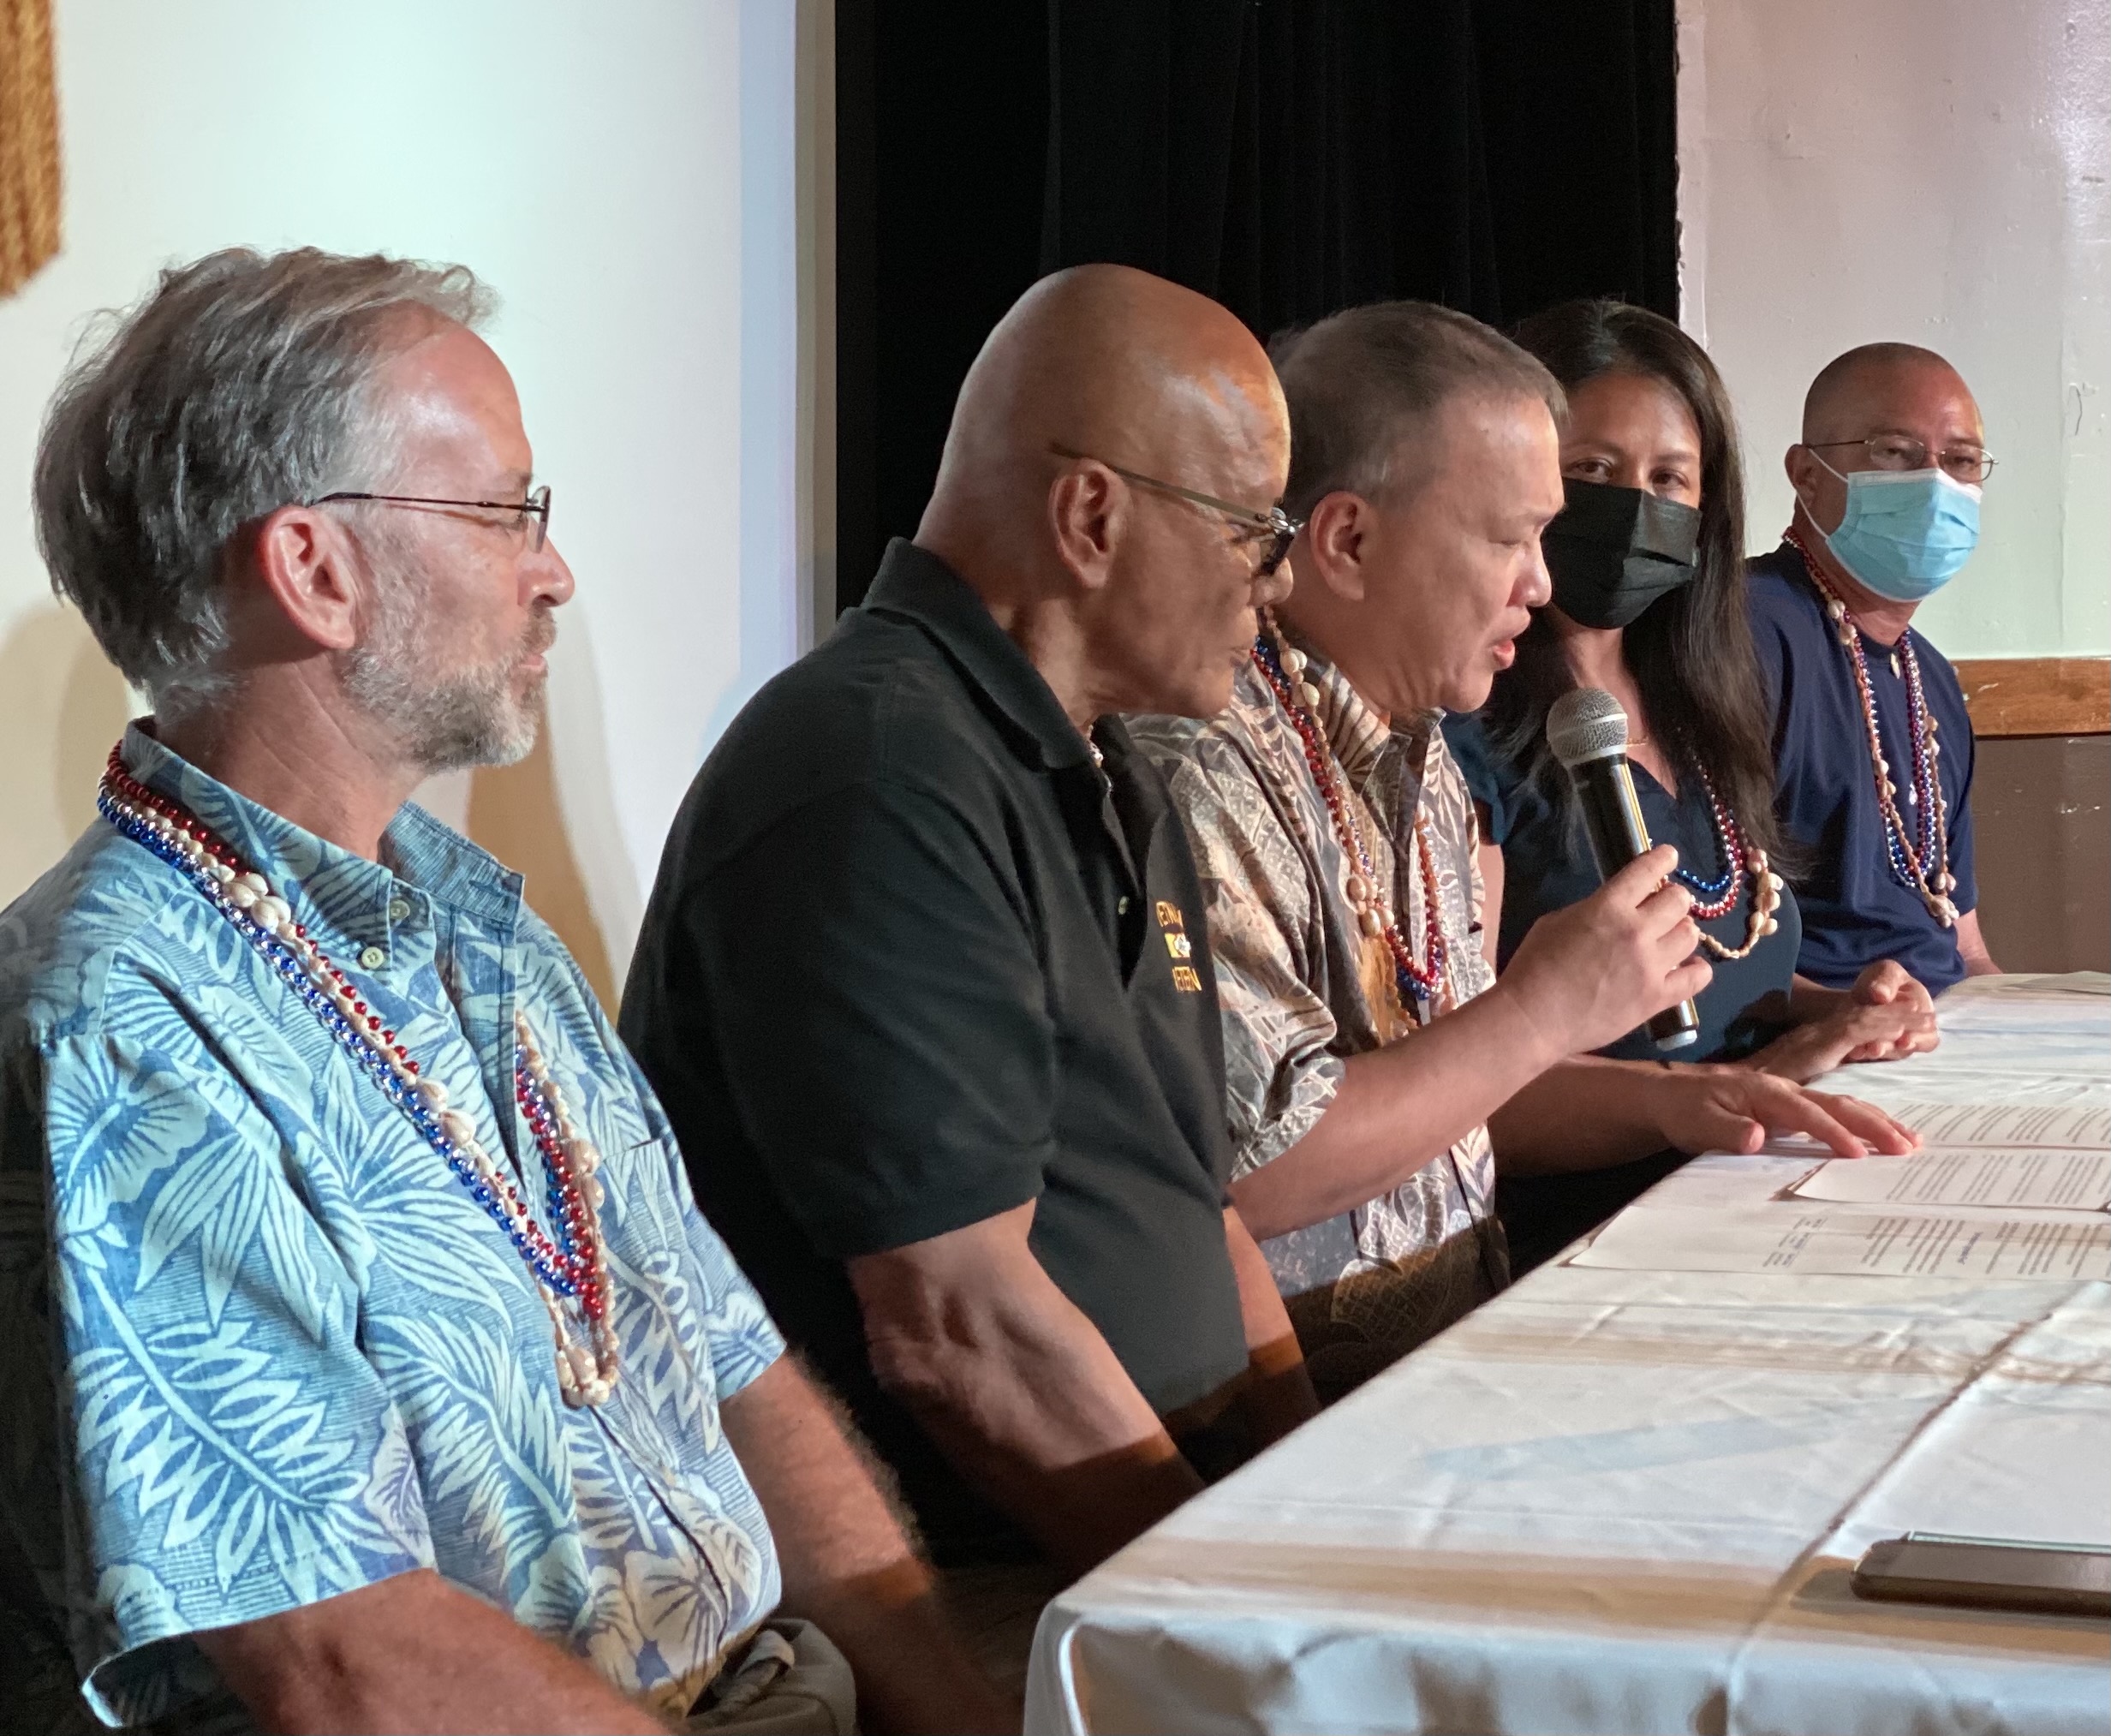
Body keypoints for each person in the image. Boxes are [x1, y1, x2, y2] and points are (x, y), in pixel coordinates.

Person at [0, 248, 1005, 1736]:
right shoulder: (120, 1023)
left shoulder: (474, 930)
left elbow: (731, 1367)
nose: (553, 567)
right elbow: (346, 1658)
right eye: (503, 509)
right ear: (314, 570)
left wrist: (968, 1717)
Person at [618, 264, 1318, 1687]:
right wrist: (1232, 1641)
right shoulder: (874, 772)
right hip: (983, 1590)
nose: (1280, 578)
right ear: (1094, 516)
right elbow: (957, 1330)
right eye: (1256, 530)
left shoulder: (1110, 770)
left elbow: (1201, 1210)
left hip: (1148, 1541)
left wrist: (1314, 1512)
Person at [1129, 301, 1917, 1395]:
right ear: (1346, 539)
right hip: (1282, 1416)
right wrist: (1546, 1010)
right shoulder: (1200, 761)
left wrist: (1707, 1087)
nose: (1542, 583)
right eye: (1508, 538)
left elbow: (1449, 1088)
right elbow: (1254, 1167)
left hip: (1454, 1354)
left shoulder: (1416, 754)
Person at [1441, 302, 1939, 1268]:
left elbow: (1713, 966)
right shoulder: (1466, 731)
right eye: (1590, 472)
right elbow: (1470, 1090)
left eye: (1666, 479)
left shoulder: (1702, 706)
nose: (1632, 507)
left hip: (1754, 1192)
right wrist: (1750, 1079)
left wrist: (1827, 1007)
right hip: (1584, 1242)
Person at [1751, 341, 2001, 993]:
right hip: (1808, 1039)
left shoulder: (1933, 679)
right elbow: (1712, 941)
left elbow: (1964, 946)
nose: (1935, 482)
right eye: (1894, 452)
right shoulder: (1744, 632)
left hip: (1941, 1032)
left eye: (1961, 461)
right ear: (1806, 475)